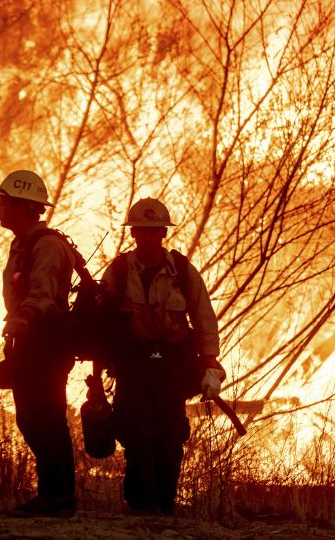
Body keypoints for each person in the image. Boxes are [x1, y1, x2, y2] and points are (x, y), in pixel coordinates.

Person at [100, 197, 225, 515]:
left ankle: (165, 502)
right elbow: (101, 322)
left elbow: (204, 320)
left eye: (154, 230)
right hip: (133, 365)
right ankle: (140, 502)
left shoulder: (183, 271)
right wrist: (100, 367)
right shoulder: (117, 272)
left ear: (163, 233)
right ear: (133, 234)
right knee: (135, 431)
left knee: (170, 434)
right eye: (142, 230)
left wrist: (210, 366)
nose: (148, 236)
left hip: (172, 367)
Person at [0, 169, 78, 517]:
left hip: (47, 342)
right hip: (30, 342)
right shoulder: (23, 244)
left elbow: (42, 294)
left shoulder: (47, 245)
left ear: (26, 207)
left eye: (5, 202)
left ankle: (58, 498)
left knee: (46, 416)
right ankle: (52, 495)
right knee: (30, 418)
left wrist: (22, 319)